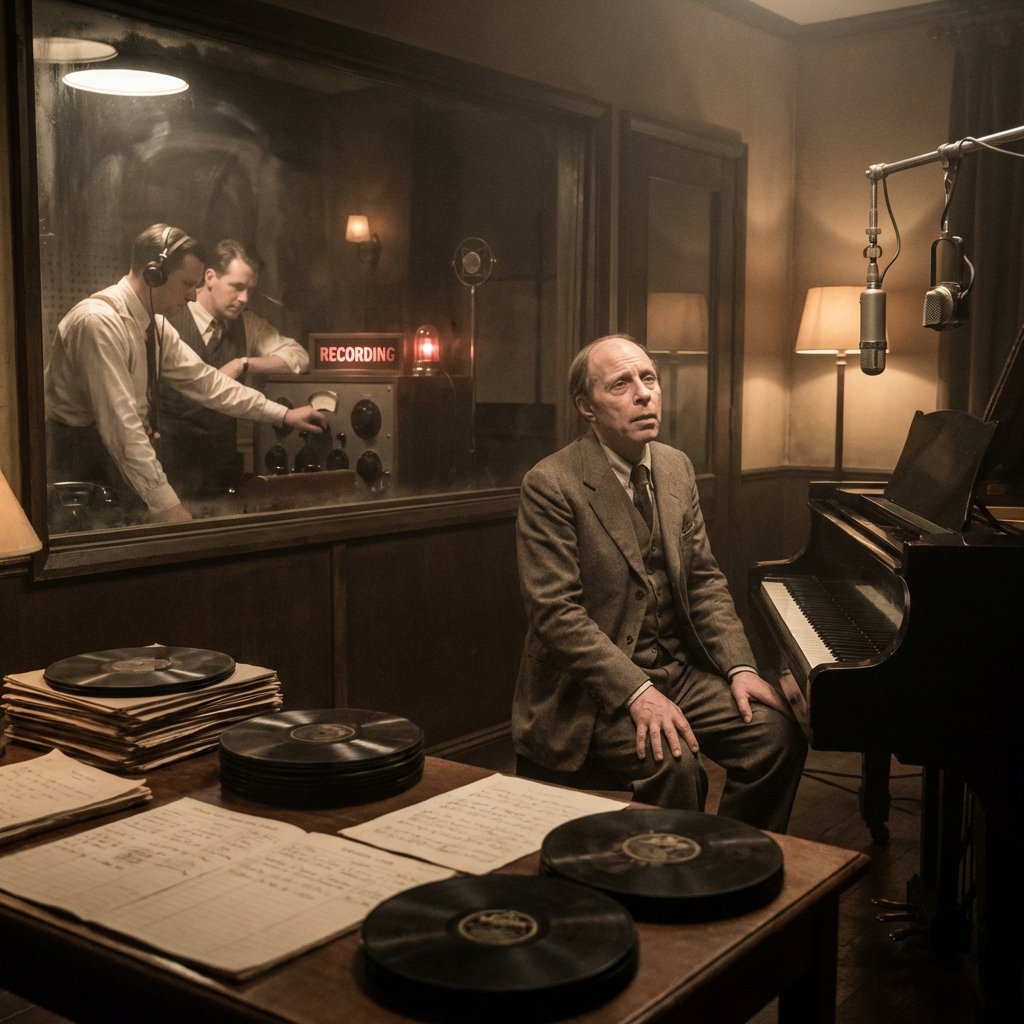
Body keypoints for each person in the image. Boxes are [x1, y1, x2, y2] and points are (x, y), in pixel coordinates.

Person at [513, 335, 806, 832]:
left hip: (679, 673)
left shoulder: (675, 467)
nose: (643, 393)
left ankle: (731, 859)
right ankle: (669, 873)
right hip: (588, 694)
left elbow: (704, 581)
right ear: (586, 407)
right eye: (620, 384)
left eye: (648, 378)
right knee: (674, 762)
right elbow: (556, 615)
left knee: (775, 736)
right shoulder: (551, 483)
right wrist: (636, 691)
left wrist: (738, 666)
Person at [44, 224, 325, 524]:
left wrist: (283, 415)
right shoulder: (98, 323)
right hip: (79, 477)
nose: (193, 295)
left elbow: (208, 383)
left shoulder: (156, 327)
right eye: (188, 283)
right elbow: (122, 429)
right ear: (154, 274)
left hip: (118, 472)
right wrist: (168, 507)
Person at [160, 240, 310, 498]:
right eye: (237, 287)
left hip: (222, 474)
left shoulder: (247, 324)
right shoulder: (169, 318)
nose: (244, 299)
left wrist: (244, 363)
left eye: (250, 290)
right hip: (170, 473)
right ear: (210, 277)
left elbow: (299, 357)